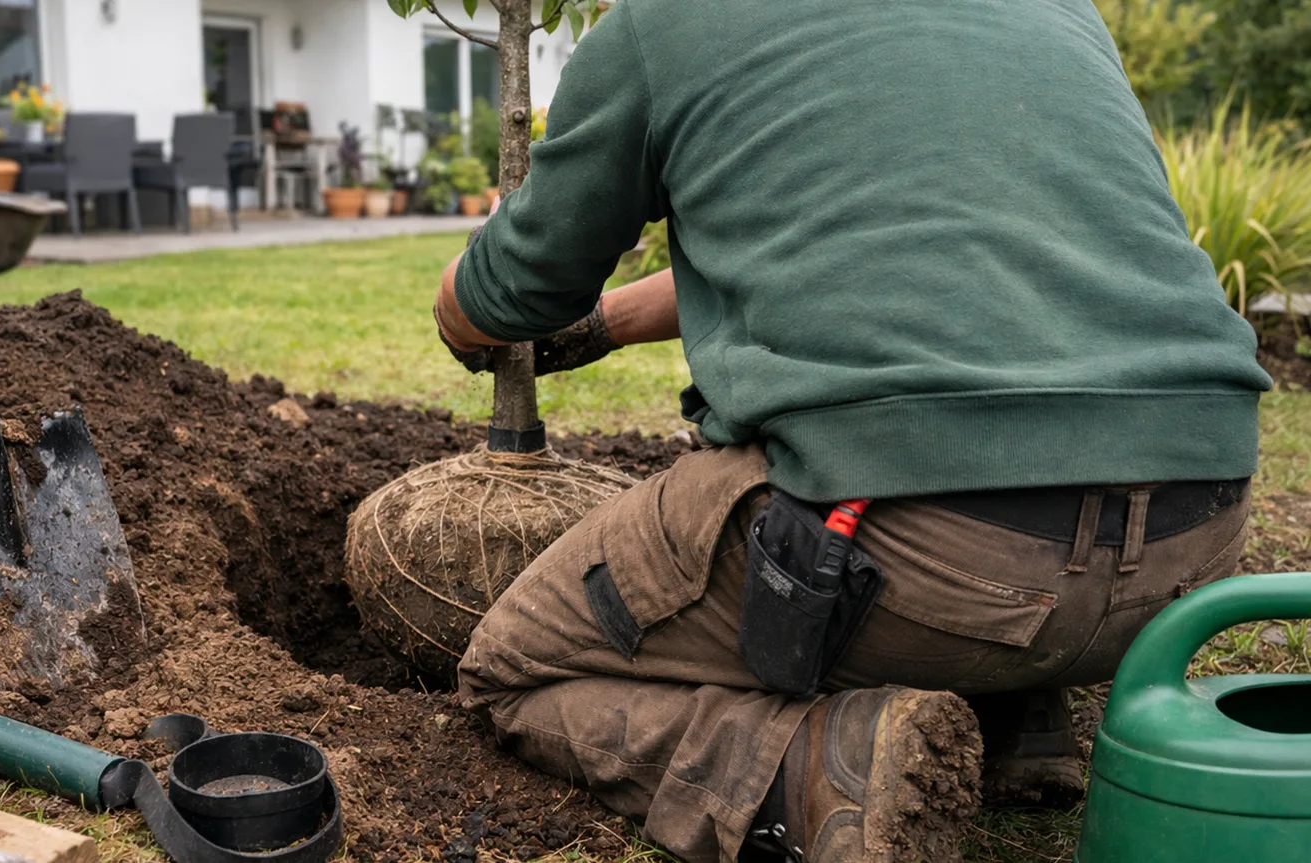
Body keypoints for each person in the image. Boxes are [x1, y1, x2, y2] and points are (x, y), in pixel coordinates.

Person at [430, 0, 1271, 861]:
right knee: (1000, 469)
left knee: (515, 667)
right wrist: (607, 325)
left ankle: (814, 773)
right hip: (1191, 539)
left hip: (929, 558)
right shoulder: (1057, 11)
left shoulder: (663, 24)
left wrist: (462, 306)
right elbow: (858, 248)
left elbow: (522, 284)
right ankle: (1021, 713)